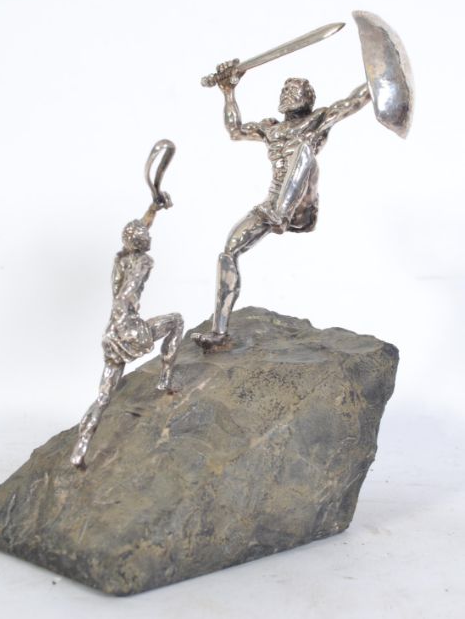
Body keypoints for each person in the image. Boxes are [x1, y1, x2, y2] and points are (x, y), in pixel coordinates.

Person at [192, 60, 370, 350]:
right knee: (229, 252)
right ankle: (219, 332)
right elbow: (235, 130)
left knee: (303, 150)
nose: (287, 93)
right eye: (284, 89)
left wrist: (378, 73)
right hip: (272, 203)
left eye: (294, 90)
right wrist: (228, 91)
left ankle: (281, 211)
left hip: (301, 203)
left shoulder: (318, 119)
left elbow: (354, 101)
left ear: (308, 100)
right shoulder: (270, 129)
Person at [71, 201, 183, 468]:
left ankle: (80, 448)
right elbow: (127, 293)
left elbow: (138, 228)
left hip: (111, 334)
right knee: (176, 321)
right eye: (145, 235)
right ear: (141, 242)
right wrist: (125, 316)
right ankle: (165, 379)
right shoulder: (143, 261)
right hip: (129, 328)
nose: (149, 235)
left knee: (103, 396)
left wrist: (153, 210)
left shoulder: (121, 257)